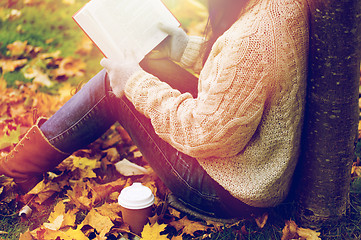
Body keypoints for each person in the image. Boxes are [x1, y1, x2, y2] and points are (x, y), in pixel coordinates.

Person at [0, 0, 309, 219]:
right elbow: (243, 79)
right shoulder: (279, 7)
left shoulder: (252, 40)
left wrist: (132, 81)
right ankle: (23, 163)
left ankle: (15, 169)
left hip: (227, 191)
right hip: (253, 168)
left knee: (116, 84)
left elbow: (206, 133)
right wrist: (183, 47)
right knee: (138, 67)